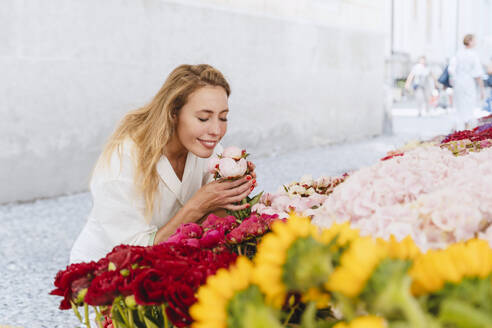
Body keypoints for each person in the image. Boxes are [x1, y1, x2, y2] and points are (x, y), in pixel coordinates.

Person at [70, 64, 256, 263]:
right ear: (173, 113)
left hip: (169, 260)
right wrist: (197, 206)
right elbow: (136, 254)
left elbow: (218, 218)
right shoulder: (125, 160)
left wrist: (236, 192)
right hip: (107, 270)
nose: (216, 130)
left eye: (223, 117)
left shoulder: (206, 150)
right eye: (203, 118)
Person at [448, 34, 485, 130]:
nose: (476, 42)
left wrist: (454, 81)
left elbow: (451, 69)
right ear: (470, 41)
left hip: (458, 83)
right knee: (469, 105)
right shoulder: (473, 54)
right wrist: (482, 89)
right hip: (469, 83)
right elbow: (478, 74)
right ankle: (466, 127)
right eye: (474, 40)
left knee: (459, 105)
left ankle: (457, 127)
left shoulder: (458, 53)